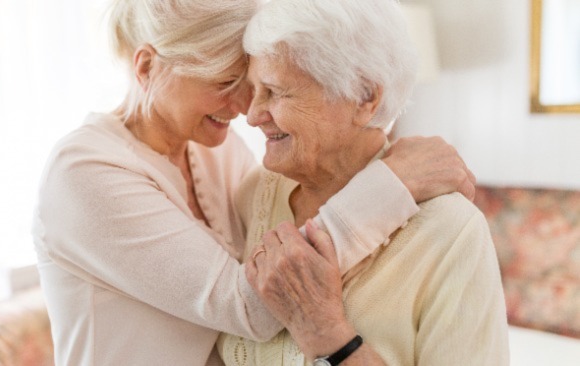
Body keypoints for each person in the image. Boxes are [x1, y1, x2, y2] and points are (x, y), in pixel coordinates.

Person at [32, 0, 477, 365]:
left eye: (252, 82)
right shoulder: (84, 174)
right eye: (226, 82)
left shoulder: (214, 149)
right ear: (147, 68)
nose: (246, 108)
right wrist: (392, 184)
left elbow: (274, 234)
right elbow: (252, 303)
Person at [216, 0, 509, 365]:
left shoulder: (452, 232)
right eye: (254, 90)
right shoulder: (254, 193)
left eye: (275, 91)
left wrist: (327, 335)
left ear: (364, 97)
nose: (254, 115)